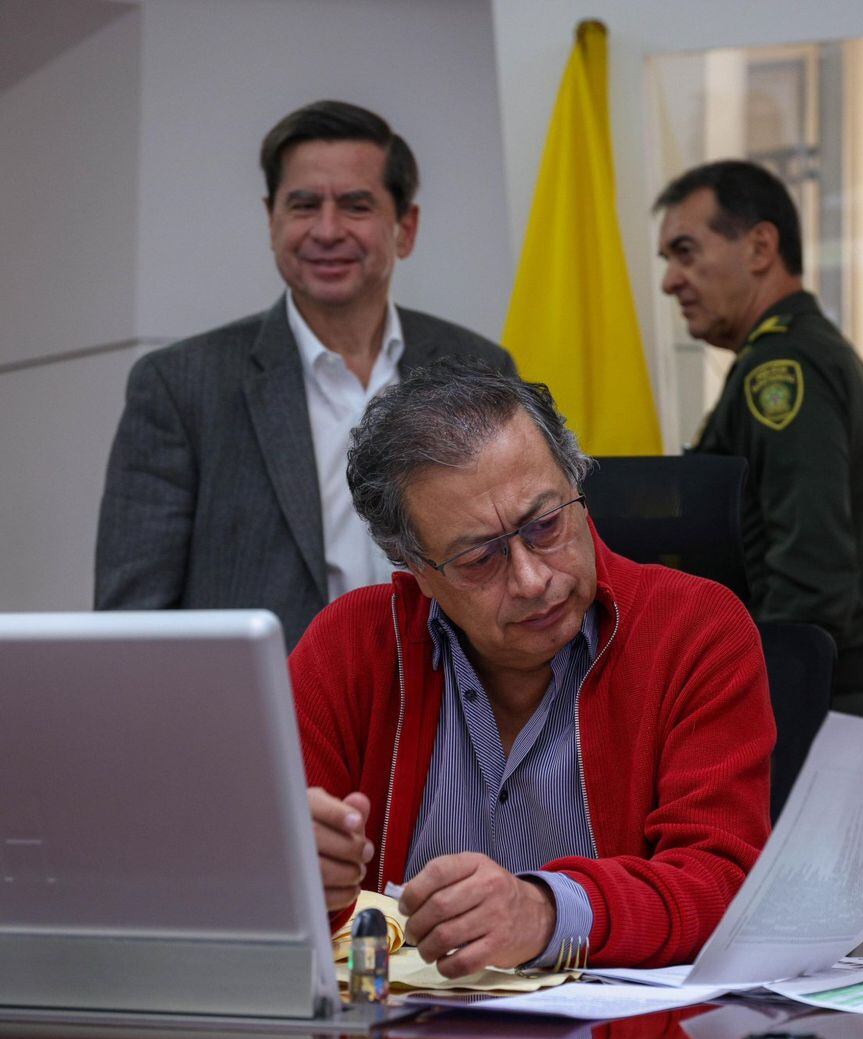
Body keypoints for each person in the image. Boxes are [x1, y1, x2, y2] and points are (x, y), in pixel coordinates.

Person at [294, 360, 773, 973]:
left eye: (546, 525)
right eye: (477, 559)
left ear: (578, 487)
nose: (531, 579)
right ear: (415, 570)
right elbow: (271, 892)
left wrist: (547, 913)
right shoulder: (351, 647)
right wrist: (296, 880)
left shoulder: (694, 629)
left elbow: (721, 883)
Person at [95, 100, 514, 649]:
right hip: (261, 720)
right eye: (303, 205)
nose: (327, 229)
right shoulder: (181, 386)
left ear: (405, 228)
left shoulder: (478, 369)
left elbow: (514, 559)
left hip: (452, 716)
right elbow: (133, 623)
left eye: (356, 205)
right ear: (272, 220)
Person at [655, 161, 863, 725]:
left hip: (809, 707)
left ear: (761, 247)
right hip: (820, 698)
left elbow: (810, 576)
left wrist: (749, 712)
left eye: (686, 252)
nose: (670, 280)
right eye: (667, 260)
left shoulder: (784, 369)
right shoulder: (799, 355)